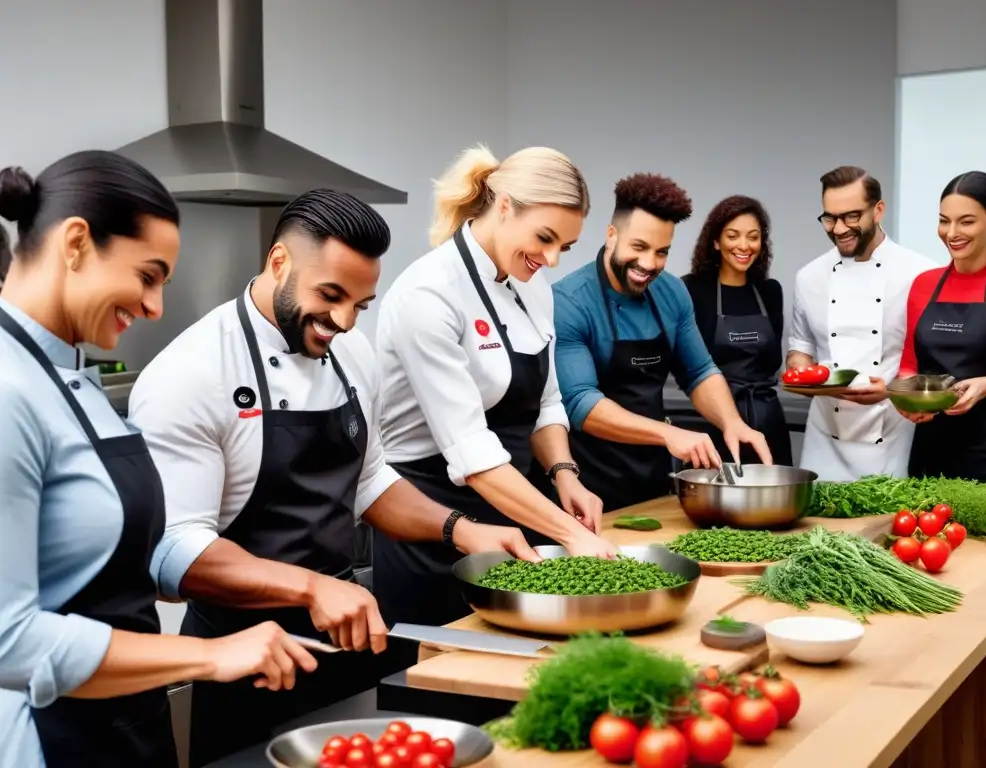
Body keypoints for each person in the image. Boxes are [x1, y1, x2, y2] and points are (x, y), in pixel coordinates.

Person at [127, 188, 538, 766]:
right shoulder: (191, 373)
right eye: (330, 296)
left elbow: (368, 480)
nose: (344, 321)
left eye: (360, 305)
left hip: (345, 642)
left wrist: (460, 529)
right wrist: (313, 588)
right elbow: (174, 553)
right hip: (243, 660)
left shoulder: (352, 353)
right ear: (279, 263)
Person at [0, 152, 316, 768]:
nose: (153, 308)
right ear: (75, 243)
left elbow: (129, 553)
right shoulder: (6, 391)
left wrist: (303, 589)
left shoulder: (76, 381)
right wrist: (210, 656)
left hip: (126, 724)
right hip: (49, 739)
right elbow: (8, 640)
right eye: (147, 275)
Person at [374, 145, 615, 636]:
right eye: (544, 238)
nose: (549, 259)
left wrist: (565, 475)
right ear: (504, 205)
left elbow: (546, 400)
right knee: (438, 683)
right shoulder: (429, 294)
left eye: (563, 248)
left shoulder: (533, 285)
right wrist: (569, 533)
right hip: (430, 518)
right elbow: (472, 452)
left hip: (512, 511)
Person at [552, 173, 772, 513]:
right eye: (638, 247)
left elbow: (699, 371)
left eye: (662, 252)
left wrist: (731, 422)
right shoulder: (570, 301)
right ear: (611, 236)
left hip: (653, 477)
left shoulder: (672, 292)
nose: (649, 264)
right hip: (588, 485)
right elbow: (581, 402)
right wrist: (669, 435)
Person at [788, 165, 934, 482]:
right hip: (824, 440)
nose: (839, 229)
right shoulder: (809, 276)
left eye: (851, 216)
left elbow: (932, 361)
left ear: (878, 210)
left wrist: (893, 392)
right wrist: (800, 373)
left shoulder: (920, 273)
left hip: (891, 437)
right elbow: (801, 346)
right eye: (830, 217)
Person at [897, 171, 986, 496]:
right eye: (944, 221)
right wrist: (905, 396)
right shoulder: (924, 285)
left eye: (966, 222)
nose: (951, 233)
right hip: (933, 453)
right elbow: (910, 364)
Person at [682, 195, 793, 466]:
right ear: (716, 241)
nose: (744, 246)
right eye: (733, 236)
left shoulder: (770, 292)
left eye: (753, 237)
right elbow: (689, 366)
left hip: (768, 422)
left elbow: (772, 363)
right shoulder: (692, 289)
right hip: (712, 422)